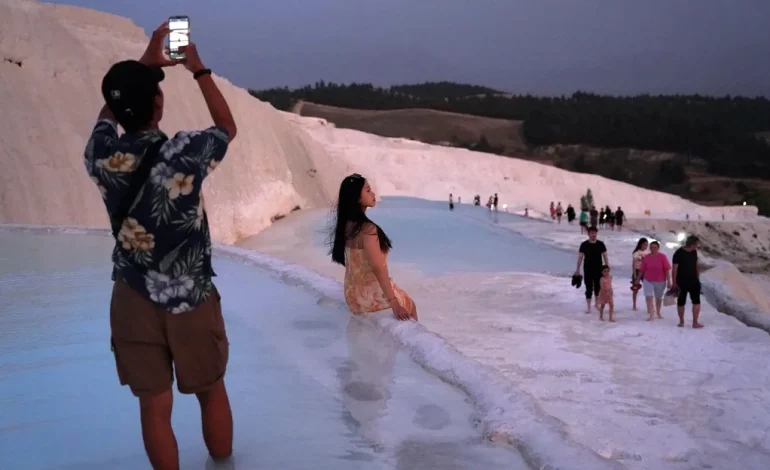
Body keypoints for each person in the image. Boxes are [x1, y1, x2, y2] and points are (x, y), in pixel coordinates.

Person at [84, 25, 237, 470]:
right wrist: (198, 68)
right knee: (211, 390)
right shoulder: (185, 152)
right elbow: (226, 127)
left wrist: (144, 67)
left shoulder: (100, 155)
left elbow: (107, 117)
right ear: (158, 102)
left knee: (153, 408)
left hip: (131, 297)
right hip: (190, 295)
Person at [330, 174, 417, 321]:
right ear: (357, 198)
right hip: (369, 297)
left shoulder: (346, 225)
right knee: (411, 305)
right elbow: (378, 267)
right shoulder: (368, 230)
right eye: (368, 190)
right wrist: (394, 303)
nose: (373, 193)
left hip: (352, 294)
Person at [575, 226, 609, 314]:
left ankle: (596, 304)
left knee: (598, 287)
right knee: (589, 288)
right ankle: (589, 307)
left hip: (599, 268)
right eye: (592, 233)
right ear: (588, 234)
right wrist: (577, 269)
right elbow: (580, 258)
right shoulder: (584, 244)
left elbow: (605, 256)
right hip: (588, 269)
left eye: (595, 233)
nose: (594, 235)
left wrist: (607, 267)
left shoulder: (600, 244)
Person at [672, 235, 703, 328]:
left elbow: (695, 264)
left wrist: (698, 276)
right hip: (681, 281)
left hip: (694, 280)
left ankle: (695, 322)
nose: (697, 246)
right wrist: (674, 283)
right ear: (692, 244)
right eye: (696, 244)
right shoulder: (678, 253)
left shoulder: (694, 252)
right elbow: (674, 269)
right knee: (681, 302)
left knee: (697, 302)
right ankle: (681, 321)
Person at [639, 241, 671, 321]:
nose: (653, 249)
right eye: (651, 247)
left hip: (660, 280)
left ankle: (658, 312)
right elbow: (642, 270)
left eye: (655, 247)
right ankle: (651, 315)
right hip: (648, 280)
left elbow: (667, 269)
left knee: (658, 298)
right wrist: (637, 279)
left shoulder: (662, 257)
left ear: (658, 248)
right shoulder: (646, 257)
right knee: (649, 297)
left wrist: (669, 281)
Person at [631, 238, 649, 311]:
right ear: (640, 244)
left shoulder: (648, 252)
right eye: (644, 244)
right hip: (638, 271)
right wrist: (635, 275)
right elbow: (634, 264)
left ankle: (649, 306)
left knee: (648, 289)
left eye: (647, 245)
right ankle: (634, 305)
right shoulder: (636, 253)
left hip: (646, 271)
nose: (645, 246)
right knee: (635, 289)